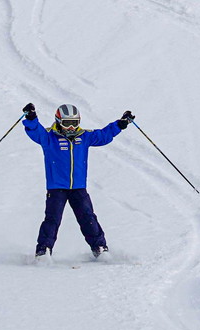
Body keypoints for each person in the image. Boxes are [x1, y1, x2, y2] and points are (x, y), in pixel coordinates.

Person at [22, 102, 134, 260]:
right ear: (59, 121)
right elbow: (35, 131)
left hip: (78, 187)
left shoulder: (84, 137)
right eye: (67, 123)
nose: (71, 127)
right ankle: (43, 250)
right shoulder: (48, 137)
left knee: (88, 217)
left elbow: (103, 135)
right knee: (52, 219)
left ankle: (100, 248)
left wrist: (120, 124)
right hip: (56, 188)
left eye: (75, 123)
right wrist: (31, 117)